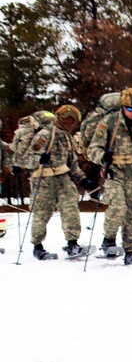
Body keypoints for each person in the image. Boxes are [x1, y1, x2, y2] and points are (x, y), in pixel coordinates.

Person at [87, 88, 132, 265]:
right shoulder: (109, 122)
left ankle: (130, 249)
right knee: (118, 206)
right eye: (129, 109)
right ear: (122, 107)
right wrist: (103, 157)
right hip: (116, 171)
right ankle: (109, 240)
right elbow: (93, 149)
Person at [21, 106, 93, 259]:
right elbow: (27, 159)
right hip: (43, 180)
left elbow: (72, 162)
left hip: (63, 178)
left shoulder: (67, 137)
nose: (69, 124)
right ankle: (37, 246)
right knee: (42, 213)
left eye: (71, 121)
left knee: (70, 209)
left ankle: (72, 243)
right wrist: (39, 159)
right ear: (59, 119)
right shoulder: (45, 135)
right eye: (66, 120)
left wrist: (82, 178)